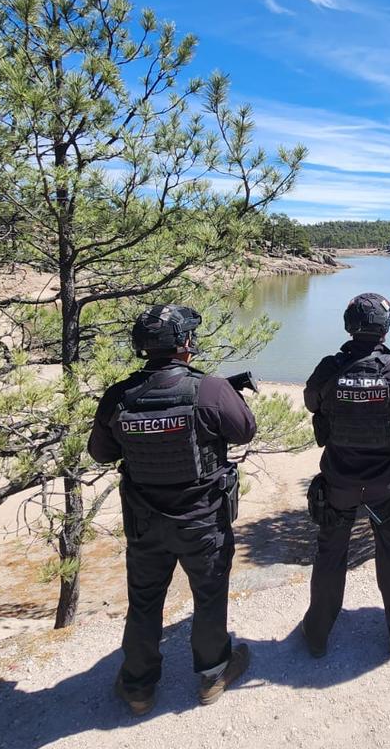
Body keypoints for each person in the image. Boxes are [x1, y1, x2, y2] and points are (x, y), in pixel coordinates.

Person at [88, 304, 256, 714]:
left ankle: (138, 686)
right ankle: (213, 673)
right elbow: (245, 430)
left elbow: (100, 453)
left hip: (145, 521)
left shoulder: (119, 395)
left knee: (145, 600)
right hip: (202, 521)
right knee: (209, 595)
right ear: (185, 343)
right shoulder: (209, 389)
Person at [301, 292, 390, 657]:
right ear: (385, 329)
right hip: (385, 485)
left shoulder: (329, 368)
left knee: (330, 553)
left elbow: (311, 402)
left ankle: (317, 634)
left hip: (339, 482)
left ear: (349, 326)